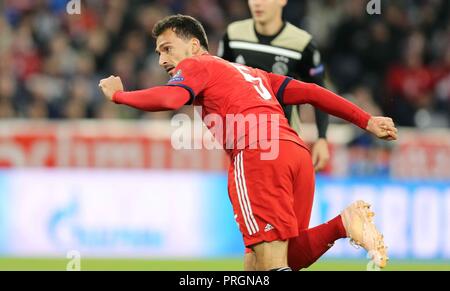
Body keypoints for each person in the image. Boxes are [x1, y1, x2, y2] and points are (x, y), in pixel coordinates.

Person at [99, 15, 396, 271]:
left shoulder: (196, 66)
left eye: (167, 48)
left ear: (193, 46)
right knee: (274, 260)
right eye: (158, 52)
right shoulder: (251, 73)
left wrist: (119, 96)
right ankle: (341, 225)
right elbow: (312, 92)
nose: (162, 60)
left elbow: (170, 98)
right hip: (295, 153)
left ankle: (344, 224)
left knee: (271, 263)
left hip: (258, 155)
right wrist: (366, 120)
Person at [219, 0, 330, 172]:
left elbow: (320, 93)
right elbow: (220, 82)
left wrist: (322, 138)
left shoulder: (301, 43)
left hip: (284, 140)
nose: (257, 4)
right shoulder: (233, 35)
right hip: (242, 141)